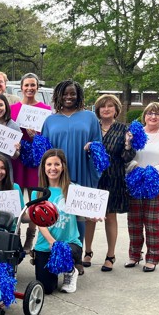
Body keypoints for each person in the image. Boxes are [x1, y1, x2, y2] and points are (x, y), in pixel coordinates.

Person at [42, 80, 103, 271]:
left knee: (78, 215)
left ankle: (77, 258)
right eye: (65, 94)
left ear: (79, 96)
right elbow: (44, 150)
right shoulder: (50, 120)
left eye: (73, 94)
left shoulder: (90, 117)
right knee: (59, 213)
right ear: (58, 96)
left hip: (82, 168)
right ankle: (56, 252)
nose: (69, 97)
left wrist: (92, 147)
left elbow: (99, 145)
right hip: (57, 173)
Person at [126, 102, 159, 272]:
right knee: (134, 222)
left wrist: (154, 171)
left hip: (158, 184)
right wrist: (133, 167)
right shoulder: (135, 132)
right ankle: (134, 255)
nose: (153, 117)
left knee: (152, 223)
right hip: (135, 182)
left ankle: (153, 257)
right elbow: (127, 153)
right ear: (145, 115)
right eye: (150, 113)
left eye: (157, 114)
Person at [83, 95, 135, 271]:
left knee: (110, 217)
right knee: (89, 217)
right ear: (97, 110)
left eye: (110, 106)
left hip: (114, 178)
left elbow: (127, 157)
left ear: (116, 110)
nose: (106, 109)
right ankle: (87, 252)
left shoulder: (123, 129)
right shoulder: (92, 127)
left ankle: (110, 255)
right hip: (93, 177)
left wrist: (128, 145)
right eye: (102, 107)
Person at [11, 73, 52, 254]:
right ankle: (16, 236)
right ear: (21, 87)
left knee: (36, 199)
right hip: (18, 158)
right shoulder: (13, 109)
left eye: (33, 85)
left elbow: (49, 135)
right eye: (26, 85)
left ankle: (30, 235)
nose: (29, 88)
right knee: (16, 198)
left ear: (37, 87)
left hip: (36, 159)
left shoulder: (45, 109)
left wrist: (37, 136)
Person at [32, 149, 82, 294]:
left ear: (63, 166)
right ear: (43, 167)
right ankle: (55, 269)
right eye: (49, 164)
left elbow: (85, 212)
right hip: (46, 245)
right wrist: (52, 242)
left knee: (64, 250)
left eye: (57, 164)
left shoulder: (73, 189)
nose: (52, 168)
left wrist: (94, 216)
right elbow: (39, 222)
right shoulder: (38, 192)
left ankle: (70, 271)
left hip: (70, 244)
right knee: (46, 288)